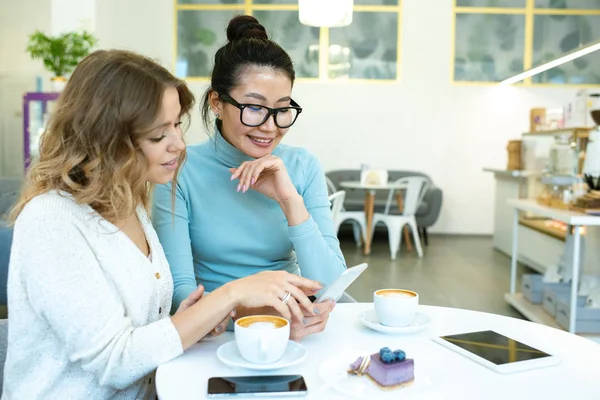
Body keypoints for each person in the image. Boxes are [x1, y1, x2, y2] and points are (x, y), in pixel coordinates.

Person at [3, 49, 322, 399]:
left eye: (177, 126)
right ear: (107, 139)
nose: (180, 145)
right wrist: (233, 294)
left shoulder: (130, 205)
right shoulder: (51, 222)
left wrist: (192, 320)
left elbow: (141, 324)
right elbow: (116, 359)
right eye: (159, 135)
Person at [152, 15, 347, 341]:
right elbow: (180, 293)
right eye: (254, 108)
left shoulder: (302, 166)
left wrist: (289, 200)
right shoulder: (177, 171)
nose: (270, 127)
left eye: (282, 109)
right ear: (217, 102)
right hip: (213, 336)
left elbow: (329, 285)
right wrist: (262, 317)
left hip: (294, 333)